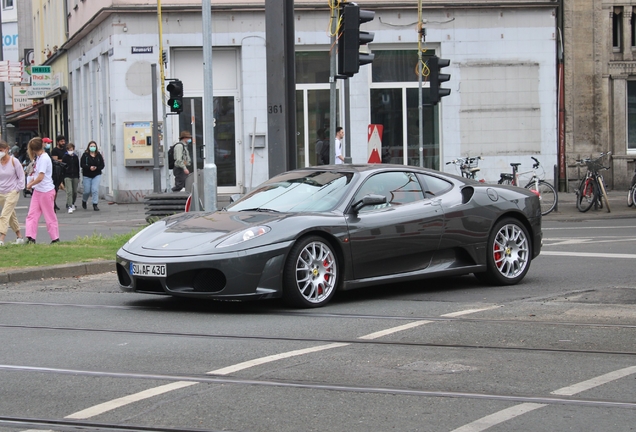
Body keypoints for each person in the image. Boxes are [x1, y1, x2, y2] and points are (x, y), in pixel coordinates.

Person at [25, 137, 59, 244]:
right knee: (32, 214)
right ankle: (31, 237)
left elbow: (41, 177)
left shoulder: (44, 158)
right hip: (38, 190)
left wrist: (30, 184)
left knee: (49, 215)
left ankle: (55, 238)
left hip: (46, 190)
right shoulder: (39, 157)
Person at [0, 140, 26, 246]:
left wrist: (17, 189)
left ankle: (1, 238)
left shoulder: (14, 161)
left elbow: (21, 176)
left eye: (1, 150)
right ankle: (19, 236)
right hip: (1, 192)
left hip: (12, 191)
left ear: (7, 149)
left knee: (4, 215)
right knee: (11, 215)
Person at [81, 141, 105, 211]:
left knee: (95, 190)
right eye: (91, 146)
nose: (93, 147)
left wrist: (97, 168)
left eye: (94, 146)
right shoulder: (85, 155)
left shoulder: (98, 155)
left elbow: (102, 165)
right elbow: (82, 164)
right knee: (87, 191)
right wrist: (89, 167)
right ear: (88, 147)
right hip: (87, 175)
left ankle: (95, 204)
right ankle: (84, 200)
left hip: (96, 174)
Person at [62, 143, 80, 213]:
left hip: (75, 175)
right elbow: (63, 167)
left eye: (71, 149)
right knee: (69, 191)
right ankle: (69, 205)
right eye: (69, 149)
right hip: (67, 176)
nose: (70, 151)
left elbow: (77, 167)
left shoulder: (75, 157)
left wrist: (78, 176)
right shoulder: (65, 157)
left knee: (75, 192)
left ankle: (72, 203)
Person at [50, 135, 67, 212]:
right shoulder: (55, 150)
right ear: (58, 142)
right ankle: (53, 203)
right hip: (57, 171)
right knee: (55, 188)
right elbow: (55, 161)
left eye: (64, 141)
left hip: (65, 170)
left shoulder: (65, 150)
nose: (63, 143)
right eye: (61, 141)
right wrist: (64, 160)